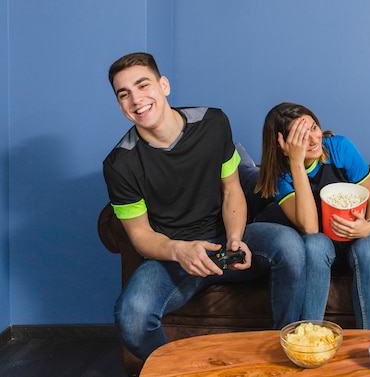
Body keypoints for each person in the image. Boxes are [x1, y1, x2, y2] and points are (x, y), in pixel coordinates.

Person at [103, 52, 306, 361]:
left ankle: (284, 358)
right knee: (131, 317)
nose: (136, 99)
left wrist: (236, 237)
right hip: (174, 257)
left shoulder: (214, 123)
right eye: (124, 94)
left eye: (143, 85)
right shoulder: (120, 164)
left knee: (289, 245)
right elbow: (141, 235)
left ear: (164, 85)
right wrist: (179, 251)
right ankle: (179, 371)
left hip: (225, 241)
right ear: (120, 105)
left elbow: (231, 190)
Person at [256, 102, 370, 329]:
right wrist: (296, 164)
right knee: (313, 244)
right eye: (300, 136)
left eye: (313, 128)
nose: (313, 140)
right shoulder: (282, 176)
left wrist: (368, 226)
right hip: (322, 244)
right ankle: (310, 340)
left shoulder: (340, 148)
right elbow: (310, 227)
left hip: (363, 237)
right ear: (284, 145)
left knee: (369, 250)